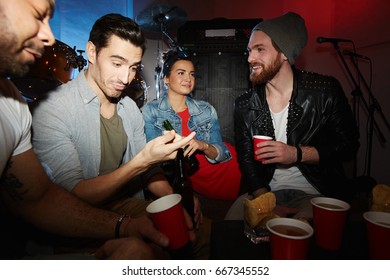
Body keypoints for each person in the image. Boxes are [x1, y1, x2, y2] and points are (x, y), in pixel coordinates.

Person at [0, 0, 196, 259]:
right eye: (117, 63)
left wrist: (173, 202)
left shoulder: (128, 108)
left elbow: (150, 172)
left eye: (133, 67)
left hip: (124, 204)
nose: (126, 78)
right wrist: (141, 162)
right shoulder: (53, 109)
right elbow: (72, 196)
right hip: (74, 219)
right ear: (92, 53)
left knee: (193, 233)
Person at [225, 12, 359, 221]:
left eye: (260, 49)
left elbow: (349, 146)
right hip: (265, 191)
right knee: (231, 225)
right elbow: (246, 159)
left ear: (284, 52)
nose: (250, 58)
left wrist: (296, 154)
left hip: (316, 191)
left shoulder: (324, 91)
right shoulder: (244, 104)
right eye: (249, 51)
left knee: (303, 232)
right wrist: (265, 201)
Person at [142, 50, 242, 201]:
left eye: (192, 74)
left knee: (235, 214)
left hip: (225, 170)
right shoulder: (151, 111)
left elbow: (221, 152)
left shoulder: (206, 110)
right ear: (166, 78)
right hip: (187, 178)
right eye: (181, 73)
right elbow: (151, 159)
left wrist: (202, 145)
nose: (188, 78)